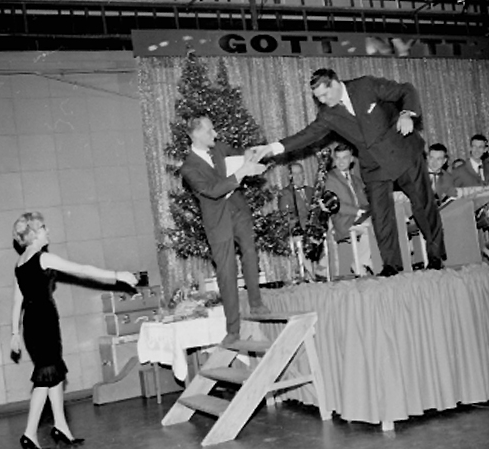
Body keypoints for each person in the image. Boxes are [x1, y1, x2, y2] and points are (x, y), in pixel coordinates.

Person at [254, 68, 446, 276]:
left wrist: (407, 113)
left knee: (422, 203)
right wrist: (272, 148)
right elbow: (306, 135)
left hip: (402, 150)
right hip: (373, 163)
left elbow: (406, 90)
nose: (322, 101)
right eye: (318, 98)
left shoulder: (365, 86)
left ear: (335, 83)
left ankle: (435, 255)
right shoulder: (328, 115)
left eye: (325, 94)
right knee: (381, 216)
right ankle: (391, 265)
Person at [11, 212, 138, 449]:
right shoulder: (43, 258)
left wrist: (14, 333)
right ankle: (29, 433)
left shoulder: (20, 263)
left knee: (53, 373)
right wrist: (116, 276)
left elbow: (18, 300)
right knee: (45, 378)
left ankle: (60, 426)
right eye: (44, 228)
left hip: (33, 323)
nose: (48, 231)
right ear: (35, 234)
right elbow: (81, 269)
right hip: (43, 322)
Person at [180, 115, 269, 345]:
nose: (215, 134)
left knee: (250, 252)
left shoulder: (218, 148)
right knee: (227, 273)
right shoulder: (189, 168)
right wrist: (242, 172)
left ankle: (256, 304)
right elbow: (213, 190)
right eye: (210, 131)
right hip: (218, 222)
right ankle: (233, 329)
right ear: (196, 134)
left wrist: (250, 155)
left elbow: (239, 153)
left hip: (239, 211)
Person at [324, 143, 373, 274]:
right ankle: (362, 262)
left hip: (361, 218)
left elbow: (364, 201)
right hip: (344, 220)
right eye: (338, 158)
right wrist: (357, 211)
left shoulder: (356, 179)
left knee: (381, 221)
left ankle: (362, 263)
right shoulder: (329, 178)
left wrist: (371, 208)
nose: (341, 162)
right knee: (374, 225)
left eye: (344, 157)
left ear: (351, 159)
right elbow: (334, 204)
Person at [278, 162, 314, 233]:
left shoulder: (312, 190)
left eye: (300, 173)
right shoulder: (285, 193)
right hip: (301, 233)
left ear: (303, 175)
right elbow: (287, 218)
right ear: (289, 176)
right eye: (294, 174)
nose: (297, 176)